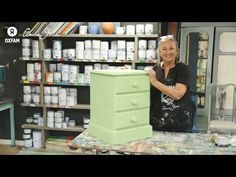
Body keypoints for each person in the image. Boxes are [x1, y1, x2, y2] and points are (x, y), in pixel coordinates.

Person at [147, 35, 196, 132]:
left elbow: (177, 94)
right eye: (164, 49)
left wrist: (155, 82)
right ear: (159, 52)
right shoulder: (155, 69)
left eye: (171, 48)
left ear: (176, 51)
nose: (168, 52)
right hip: (157, 125)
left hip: (180, 125)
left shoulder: (183, 69)